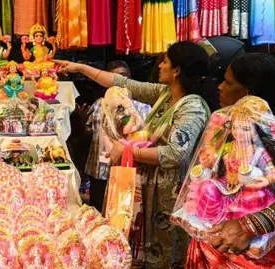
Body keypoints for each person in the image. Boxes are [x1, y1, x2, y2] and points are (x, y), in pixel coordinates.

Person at [55, 41, 219, 268]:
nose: (160, 65)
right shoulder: (164, 94)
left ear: (177, 70)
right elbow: (119, 82)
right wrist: (79, 68)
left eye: (165, 61)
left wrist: (129, 150)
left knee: (164, 255)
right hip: (148, 188)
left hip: (169, 196)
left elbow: (176, 154)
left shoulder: (192, 107)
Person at [186, 53, 275, 268]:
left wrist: (253, 225)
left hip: (261, 254)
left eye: (228, 82)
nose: (220, 87)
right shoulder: (223, 127)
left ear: (250, 94)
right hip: (217, 244)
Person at [83, 60, 151, 213]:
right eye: (113, 78)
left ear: (129, 79)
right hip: (99, 170)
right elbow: (89, 131)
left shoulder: (142, 107)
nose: (118, 82)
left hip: (127, 170)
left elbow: (147, 137)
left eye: (123, 76)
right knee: (98, 214)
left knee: (122, 215)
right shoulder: (98, 105)